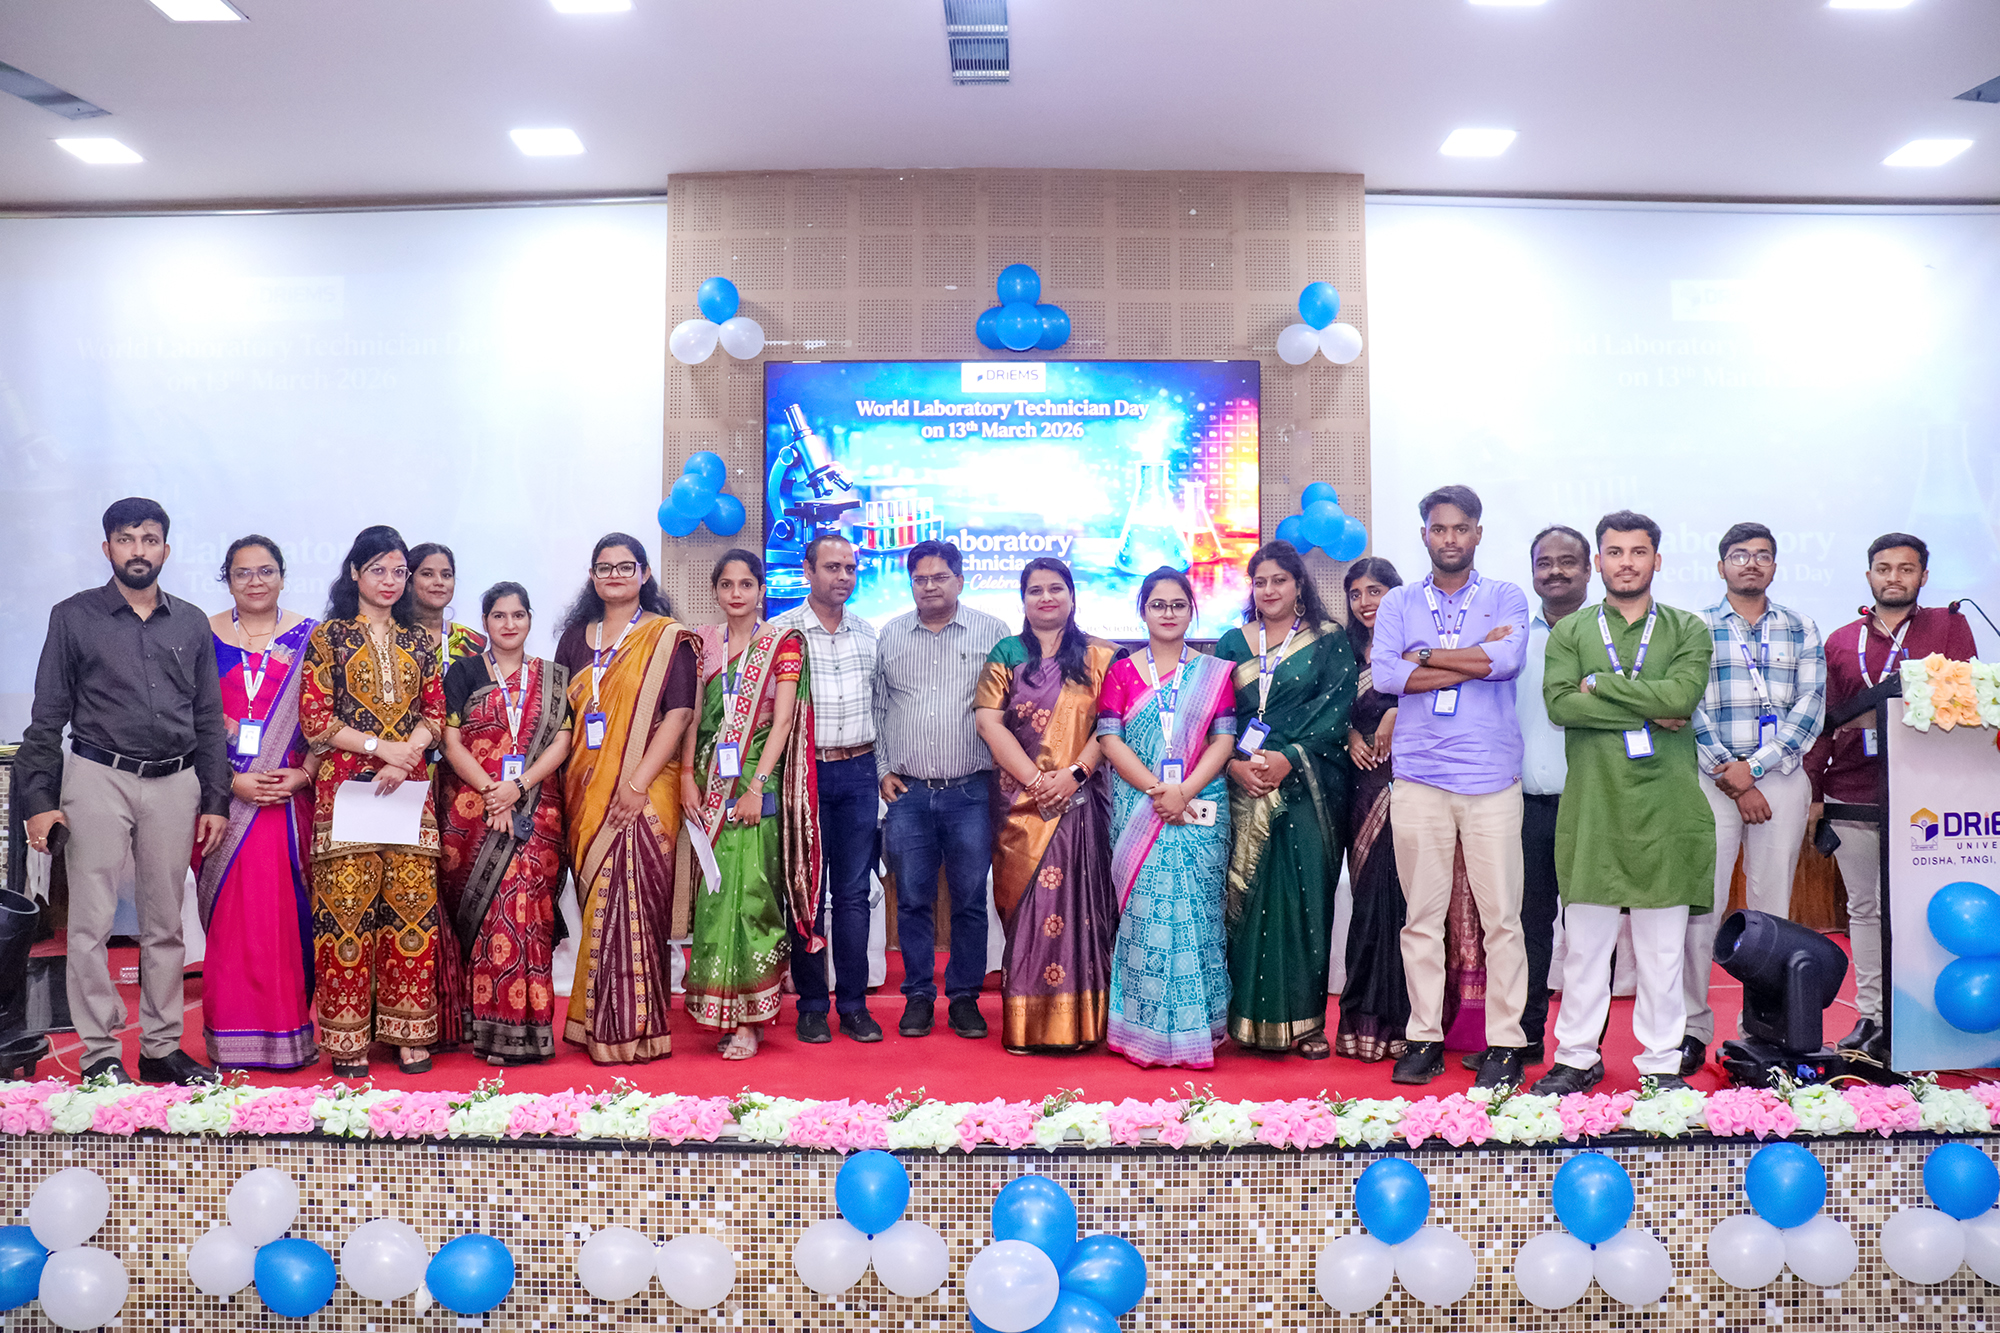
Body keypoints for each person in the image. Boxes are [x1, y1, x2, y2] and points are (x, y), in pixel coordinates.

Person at [17, 498, 228, 1086]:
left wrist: (214, 798)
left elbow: (209, 719)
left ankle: (161, 1048)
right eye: (127, 539)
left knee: (166, 924)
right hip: (97, 777)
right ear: (107, 547)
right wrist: (40, 802)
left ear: (167, 549)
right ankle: (99, 1054)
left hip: (176, 783)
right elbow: (47, 717)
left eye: (150, 539)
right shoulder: (73, 616)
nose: (139, 550)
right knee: (90, 924)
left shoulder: (191, 622)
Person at [1533, 511, 1714, 1095]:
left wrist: (1601, 685)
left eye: (1638, 552)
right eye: (1615, 552)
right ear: (1599, 561)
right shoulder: (1571, 631)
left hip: (1667, 808)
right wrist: (1651, 709)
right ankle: (1576, 1057)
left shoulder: (1688, 629)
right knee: (1585, 948)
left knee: (1663, 952)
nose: (1627, 563)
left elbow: (1681, 698)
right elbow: (1561, 706)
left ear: (1656, 560)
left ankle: (1660, 1063)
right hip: (1594, 809)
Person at [1368, 485, 1533, 1089]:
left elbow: (1506, 663)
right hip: (1419, 779)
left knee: (1502, 919)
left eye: (1461, 528)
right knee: (1421, 918)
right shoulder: (1399, 601)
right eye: (1439, 529)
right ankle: (1423, 1037)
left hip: (1491, 781)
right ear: (1424, 535)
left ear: (1478, 533)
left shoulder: (1506, 595)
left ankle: (1506, 1042)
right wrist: (1471, 656)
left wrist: (1426, 655)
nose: (1450, 539)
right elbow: (1386, 674)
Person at [1804, 532, 1977, 1063]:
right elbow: (1822, 724)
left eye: (1906, 569)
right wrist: (1813, 790)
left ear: (1923, 576)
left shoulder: (1949, 627)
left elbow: (1967, 704)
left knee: (1917, 907)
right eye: (1884, 568)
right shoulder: (1840, 641)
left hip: (1927, 794)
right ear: (1869, 575)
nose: (1894, 577)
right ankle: (1872, 1015)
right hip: (1852, 790)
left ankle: (1916, 1015)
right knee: (1864, 908)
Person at [300, 525, 447, 1078]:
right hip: (346, 794)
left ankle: (409, 1033)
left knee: (411, 912)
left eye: (399, 571)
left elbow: (436, 715)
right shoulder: (329, 637)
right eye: (378, 570)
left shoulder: (420, 641)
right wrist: (378, 748)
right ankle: (347, 1038)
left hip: (407, 794)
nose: (390, 581)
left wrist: (404, 756)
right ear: (355, 573)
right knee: (345, 916)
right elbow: (316, 720)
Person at [1682, 522, 1827, 1074]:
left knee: (1772, 913)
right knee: (1702, 908)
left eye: (1763, 555)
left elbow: (1810, 705)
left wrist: (1757, 769)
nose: (1751, 563)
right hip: (1711, 778)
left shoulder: (1800, 626)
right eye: (1739, 555)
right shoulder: (1694, 626)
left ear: (1774, 566)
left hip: (1780, 777)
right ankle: (1692, 1028)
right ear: (1721, 566)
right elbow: (1688, 704)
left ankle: (1763, 1028)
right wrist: (1731, 772)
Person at [553, 533, 700, 1063]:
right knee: (598, 905)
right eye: (604, 567)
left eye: (624, 566)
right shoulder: (574, 639)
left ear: (644, 574)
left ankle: (640, 1030)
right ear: (592, 576)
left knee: (638, 906)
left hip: (647, 788)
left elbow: (679, 715)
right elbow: (562, 720)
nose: (613, 575)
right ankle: (600, 1026)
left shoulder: (668, 637)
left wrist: (636, 784)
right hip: (586, 788)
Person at [1214, 540, 1355, 1059]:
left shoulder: (1328, 638)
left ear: (1299, 585)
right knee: (1245, 898)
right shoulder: (1233, 643)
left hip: (1306, 789)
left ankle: (1307, 1023)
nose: (1269, 590)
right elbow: (1215, 716)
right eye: (1260, 582)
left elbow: (1336, 712)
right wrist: (1233, 765)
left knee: (1303, 901)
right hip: (1243, 785)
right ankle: (1242, 1018)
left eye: (1280, 580)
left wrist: (1289, 757)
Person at [974, 558, 1120, 1054]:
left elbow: (1112, 725)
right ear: (1023, 600)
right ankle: (1028, 1027)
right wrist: (1038, 782)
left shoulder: (1103, 656)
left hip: (1083, 802)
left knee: (1082, 908)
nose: (1046, 598)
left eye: (1056, 588)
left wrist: (1075, 773)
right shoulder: (1007, 653)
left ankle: (1081, 1025)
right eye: (1035, 590)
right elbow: (988, 723)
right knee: (1029, 909)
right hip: (1020, 804)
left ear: (1072, 596)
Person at [681, 550, 821, 1061]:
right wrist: (686, 777)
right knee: (717, 897)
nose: (736, 593)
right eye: (726, 584)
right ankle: (723, 1010)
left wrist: (757, 786)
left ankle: (751, 1019)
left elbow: (783, 721)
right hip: (709, 784)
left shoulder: (782, 643)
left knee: (753, 894)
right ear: (716, 591)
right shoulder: (703, 643)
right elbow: (693, 716)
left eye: (746, 584)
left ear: (762, 590)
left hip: (756, 782)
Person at [1096, 568, 1238, 1068]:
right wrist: (1159, 791)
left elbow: (1224, 739)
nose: (1169, 613)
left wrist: (1184, 791)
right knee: (1144, 918)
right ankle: (1142, 1032)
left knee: (1200, 916)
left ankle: (1202, 1028)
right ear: (1143, 611)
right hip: (1142, 808)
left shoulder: (1214, 672)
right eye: (1158, 604)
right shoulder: (1121, 672)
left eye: (1178, 604)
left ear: (1191, 611)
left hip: (1199, 806)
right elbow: (1109, 739)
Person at [873, 540, 1011, 1040]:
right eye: (920, 579)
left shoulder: (993, 633)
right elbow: (878, 708)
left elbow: (1011, 706)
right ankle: (917, 996)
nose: (929, 586)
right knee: (912, 899)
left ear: (960, 579)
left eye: (939, 577)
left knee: (970, 900)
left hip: (971, 791)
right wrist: (882, 768)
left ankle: (965, 999)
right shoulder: (890, 635)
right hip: (907, 793)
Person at [1470, 525, 1592, 1073]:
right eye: (1545, 562)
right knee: (1524, 926)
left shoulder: (1606, 635)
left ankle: (1582, 1049)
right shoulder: (1512, 636)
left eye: (1568, 561)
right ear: (1533, 571)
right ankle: (1522, 1038)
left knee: (1590, 931)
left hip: (1591, 804)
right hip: (1521, 804)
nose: (1556, 571)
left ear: (1588, 570)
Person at [195, 536, 318, 1070]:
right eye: (242, 573)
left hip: (290, 805)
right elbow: (187, 719)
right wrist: (229, 783)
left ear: (283, 576)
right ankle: (231, 1037)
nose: (255, 581)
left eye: (266, 570)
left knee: (284, 919)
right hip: (224, 802)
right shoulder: (200, 634)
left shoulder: (312, 638)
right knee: (234, 922)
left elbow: (327, 718)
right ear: (228, 580)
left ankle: (289, 1034)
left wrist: (305, 774)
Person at [438, 582, 572, 1065]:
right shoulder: (464, 671)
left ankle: (528, 1029)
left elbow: (562, 741)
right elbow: (450, 742)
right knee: (490, 912)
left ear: (530, 619)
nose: (509, 624)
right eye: (499, 615)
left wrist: (518, 787)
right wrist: (492, 792)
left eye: (518, 615)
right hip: (473, 812)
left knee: (526, 911)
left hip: (535, 807)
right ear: (485, 622)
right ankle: (486, 1027)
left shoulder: (553, 677)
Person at [771, 534, 884, 1044]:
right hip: (804, 775)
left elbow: (882, 707)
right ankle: (813, 1005)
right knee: (807, 892)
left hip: (859, 771)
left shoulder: (869, 634)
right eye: (832, 567)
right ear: (808, 571)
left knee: (855, 893)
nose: (843, 576)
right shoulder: (782, 632)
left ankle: (854, 1005)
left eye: (850, 568)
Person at [1338, 557, 1414, 1063]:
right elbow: (1328, 710)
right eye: (1356, 593)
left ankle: (1405, 1022)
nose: (1365, 602)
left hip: (1409, 782)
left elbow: (1439, 697)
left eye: (1375, 591)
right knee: (1367, 902)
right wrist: (1348, 736)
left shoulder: (1414, 646)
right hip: (1358, 787)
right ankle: (1361, 1020)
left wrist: (1394, 712)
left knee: (1404, 903)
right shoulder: (1342, 651)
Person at [410, 542, 488, 667]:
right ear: (408, 582)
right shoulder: (392, 636)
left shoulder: (471, 642)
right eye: (428, 574)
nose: (439, 582)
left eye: (446, 575)